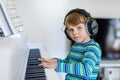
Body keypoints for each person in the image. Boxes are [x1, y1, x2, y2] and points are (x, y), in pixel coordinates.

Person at [38, 8, 102, 80]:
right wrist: (55, 61)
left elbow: (86, 70)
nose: (74, 32)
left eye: (79, 27)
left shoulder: (93, 48)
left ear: (90, 28)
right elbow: (68, 62)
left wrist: (57, 65)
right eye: (71, 29)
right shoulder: (75, 45)